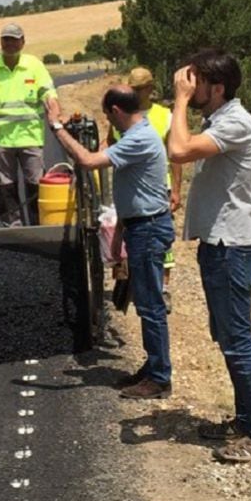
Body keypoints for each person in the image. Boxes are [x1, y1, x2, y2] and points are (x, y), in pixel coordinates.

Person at [168, 49, 251, 463]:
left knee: (238, 343)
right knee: (228, 339)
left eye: (197, 83)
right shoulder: (221, 121)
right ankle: (246, 420)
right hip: (220, 247)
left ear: (218, 87)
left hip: (232, 250)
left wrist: (178, 100)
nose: (190, 89)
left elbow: (177, 150)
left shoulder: (235, 124)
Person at [49, 85, 174, 399]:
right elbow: (133, 190)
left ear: (117, 111)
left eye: (108, 115)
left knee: (151, 306)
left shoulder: (139, 139)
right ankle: (155, 366)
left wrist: (57, 127)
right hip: (140, 226)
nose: (109, 121)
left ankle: (159, 377)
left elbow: (88, 161)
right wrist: (119, 233)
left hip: (148, 229)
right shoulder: (138, 134)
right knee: (146, 303)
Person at [106, 67, 182, 311]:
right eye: (132, 89)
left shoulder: (163, 115)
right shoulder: (123, 115)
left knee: (160, 243)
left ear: (150, 88)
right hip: (131, 186)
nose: (136, 93)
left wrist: (177, 190)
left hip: (159, 186)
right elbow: (111, 145)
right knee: (132, 238)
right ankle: (134, 283)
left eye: (140, 89)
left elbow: (175, 155)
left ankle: (164, 288)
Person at [0, 24, 60, 226]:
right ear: (1, 42)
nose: (10, 44)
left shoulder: (34, 66)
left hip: (30, 138)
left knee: (35, 184)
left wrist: (54, 108)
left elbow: (48, 93)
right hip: (1, 140)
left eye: (14, 39)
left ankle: (38, 227)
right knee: (6, 186)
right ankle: (13, 227)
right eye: (6, 39)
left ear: (22, 42)